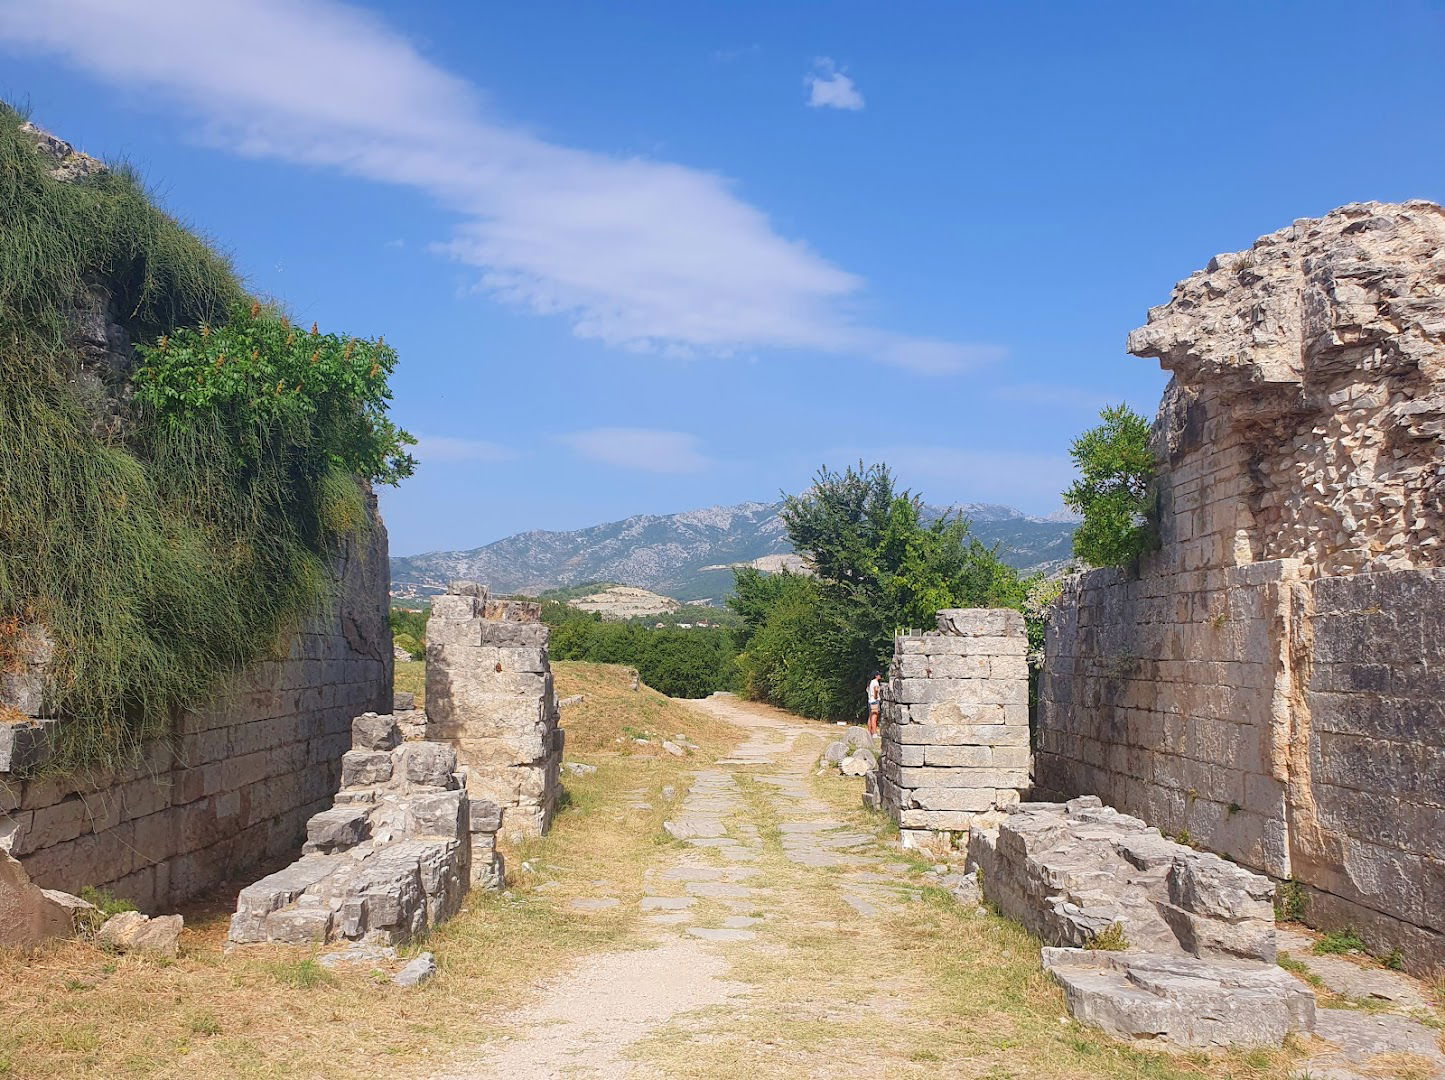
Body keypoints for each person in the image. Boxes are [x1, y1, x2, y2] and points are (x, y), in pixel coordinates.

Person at [866, 672, 882, 737]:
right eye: (879, 675)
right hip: (874, 701)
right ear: (876, 676)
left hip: (870, 700)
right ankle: (874, 733)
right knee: (874, 717)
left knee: (870, 717)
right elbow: (876, 689)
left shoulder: (870, 683)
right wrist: (876, 696)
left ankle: (869, 732)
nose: (880, 676)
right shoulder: (875, 682)